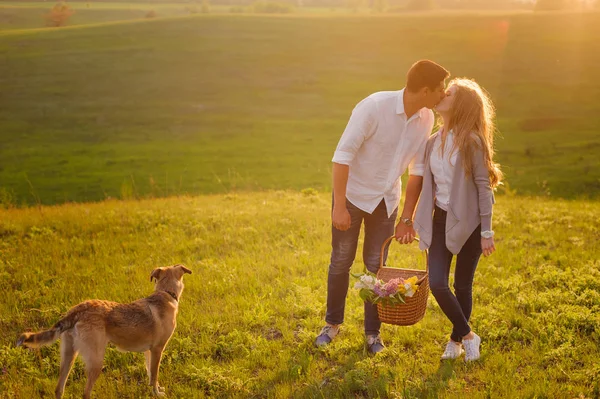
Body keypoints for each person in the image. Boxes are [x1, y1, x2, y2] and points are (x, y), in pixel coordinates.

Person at [315, 60, 450, 354]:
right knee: (340, 262)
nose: (445, 92)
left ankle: (372, 334)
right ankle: (332, 324)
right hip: (351, 198)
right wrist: (339, 206)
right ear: (426, 90)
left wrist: (406, 217)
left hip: (386, 203)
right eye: (441, 88)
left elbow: (417, 172)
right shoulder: (374, 106)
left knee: (377, 269)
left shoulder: (426, 118)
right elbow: (342, 156)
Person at [413, 78, 503, 362]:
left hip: (470, 225)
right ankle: (468, 335)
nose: (441, 94)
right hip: (440, 219)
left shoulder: (472, 141)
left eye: (448, 93)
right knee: (437, 283)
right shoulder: (432, 142)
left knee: (463, 285)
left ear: (460, 103)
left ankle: (454, 341)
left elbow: (484, 186)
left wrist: (486, 230)